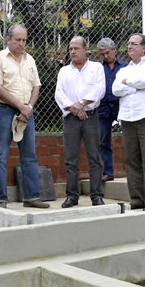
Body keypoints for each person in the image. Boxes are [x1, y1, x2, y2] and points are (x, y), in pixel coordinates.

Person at [0, 24, 49, 209]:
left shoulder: (30, 59)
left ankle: (31, 197)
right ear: (8, 39)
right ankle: (1, 199)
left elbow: (36, 86)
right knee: (1, 155)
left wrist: (28, 107)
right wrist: (21, 107)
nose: (22, 43)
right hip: (5, 110)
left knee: (29, 154)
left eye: (24, 40)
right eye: (18, 40)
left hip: (27, 112)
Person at [112, 34, 145, 210]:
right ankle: (136, 199)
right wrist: (136, 86)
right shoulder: (123, 70)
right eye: (128, 43)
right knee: (131, 161)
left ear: (144, 48)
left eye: (134, 43)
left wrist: (128, 83)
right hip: (127, 118)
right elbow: (115, 89)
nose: (129, 46)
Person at [55, 36, 106, 208]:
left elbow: (99, 89)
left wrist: (82, 104)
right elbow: (59, 94)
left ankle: (96, 196)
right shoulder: (64, 71)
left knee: (94, 157)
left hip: (90, 117)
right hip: (71, 118)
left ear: (85, 49)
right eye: (70, 48)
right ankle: (72, 196)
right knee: (71, 159)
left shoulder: (96, 68)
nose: (72, 51)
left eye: (76, 48)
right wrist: (74, 108)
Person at [97, 38, 126, 181]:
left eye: (107, 53)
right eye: (102, 54)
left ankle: (132, 171)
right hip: (103, 107)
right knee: (103, 140)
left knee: (129, 139)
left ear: (114, 49)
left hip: (121, 105)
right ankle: (108, 172)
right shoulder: (98, 69)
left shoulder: (125, 67)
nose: (105, 56)